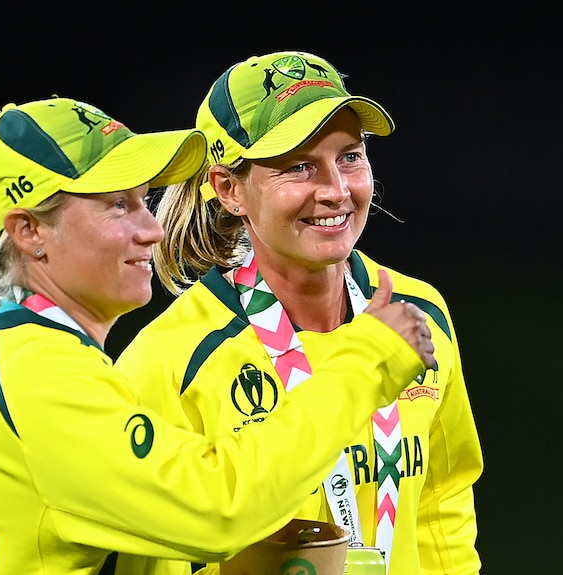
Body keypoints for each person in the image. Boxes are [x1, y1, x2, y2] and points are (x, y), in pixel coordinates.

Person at [0, 96, 436, 575]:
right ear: (31, 231)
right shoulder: (43, 374)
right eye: (118, 205)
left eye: (142, 200)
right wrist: (371, 358)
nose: (152, 229)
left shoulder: (13, 350)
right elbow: (218, 509)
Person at [115, 50, 484, 575]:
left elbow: (441, 503)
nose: (336, 190)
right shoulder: (170, 361)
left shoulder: (418, 311)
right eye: (299, 166)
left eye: (350, 156)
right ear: (229, 189)